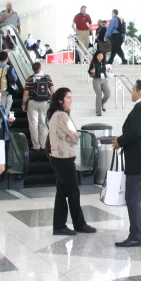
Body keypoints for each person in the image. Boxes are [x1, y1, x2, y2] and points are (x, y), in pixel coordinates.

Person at [112, 79, 141, 247]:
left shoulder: (140, 107)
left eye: (133, 89)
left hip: (139, 160)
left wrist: (120, 141)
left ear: (139, 92)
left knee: (132, 196)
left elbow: (136, 132)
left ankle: (136, 235)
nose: (131, 92)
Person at [47, 87, 97, 236]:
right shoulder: (62, 116)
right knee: (73, 192)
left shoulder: (55, 114)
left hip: (58, 158)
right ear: (60, 100)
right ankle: (79, 224)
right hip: (63, 159)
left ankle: (59, 226)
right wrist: (72, 138)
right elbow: (75, 136)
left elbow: (72, 136)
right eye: (68, 97)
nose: (71, 100)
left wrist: (71, 137)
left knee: (62, 193)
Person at [22, 62, 55, 150]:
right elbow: (52, 91)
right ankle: (43, 145)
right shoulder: (47, 77)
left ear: (33, 69)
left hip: (32, 102)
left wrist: (23, 104)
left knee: (33, 124)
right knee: (43, 123)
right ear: (40, 68)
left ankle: (36, 146)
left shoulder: (30, 78)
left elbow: (26, 93)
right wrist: (53, 102)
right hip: (44, 103)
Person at [88, 51, 111, 116]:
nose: (100, 57)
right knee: (99, 95)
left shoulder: (105, 63)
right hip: (96, 80)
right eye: (98, 56)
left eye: (101, 56)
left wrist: (110, 70)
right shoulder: (93, 63)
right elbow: (89, 71)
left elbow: (109, 69)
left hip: (104, 80)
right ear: (96, 56)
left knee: (108, 94)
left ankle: (101, 104)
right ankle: (98, 112)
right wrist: (91, 71)